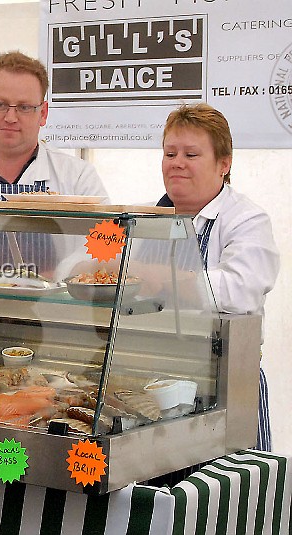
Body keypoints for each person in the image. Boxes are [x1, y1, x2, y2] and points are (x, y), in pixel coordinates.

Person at [155, 102, 279, 451]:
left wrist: (164, 281)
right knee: (171, 499)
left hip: (225, 386)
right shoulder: (148, 219)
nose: (177, 162)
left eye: (191, 154)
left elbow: (241, 290)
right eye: (170, 152)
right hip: (155, 379)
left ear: (224, 165)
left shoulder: (247, 219)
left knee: (228, 497)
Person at [0, 51, 109, 276]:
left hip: (50, 307)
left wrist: (63, 273)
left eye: (24, 107)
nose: (10, 117)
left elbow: (109, 241)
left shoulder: (78, 176)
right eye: (0, 104)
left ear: (43, 113)